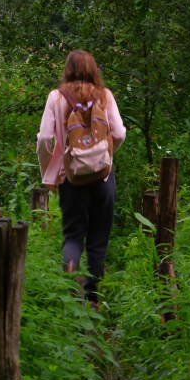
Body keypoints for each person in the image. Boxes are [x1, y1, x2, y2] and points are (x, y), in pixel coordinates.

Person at [37, 49, 126, 305]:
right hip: (102, 178)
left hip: (70, 180)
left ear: (67, 69)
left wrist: (50, 174)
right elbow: (119, 133)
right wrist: (105, 156)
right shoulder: (105, 96)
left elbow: (44, 138)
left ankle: (69, 292)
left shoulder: (56, 97)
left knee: (73, 235)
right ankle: (93, 298)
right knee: (99, 239)